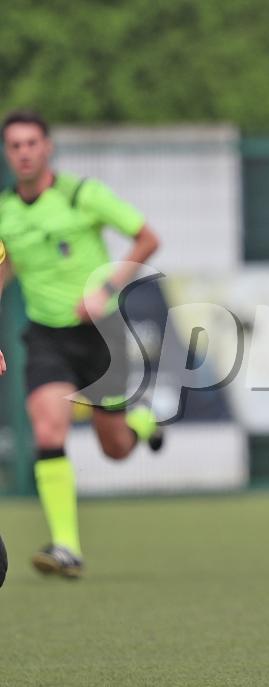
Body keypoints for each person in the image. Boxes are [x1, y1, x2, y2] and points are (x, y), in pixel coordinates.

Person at [0, 110, 164, 579]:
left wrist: (105, 289)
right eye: (15, 145)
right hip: (45, 336)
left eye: (32, 143)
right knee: (48, 429)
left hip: (100, 335)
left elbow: (147, 239)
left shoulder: (82, 195)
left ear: (48, 148)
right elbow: (4, 269)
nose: (24, 153)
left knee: (115, 447)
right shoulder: (5, 212)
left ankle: (141, 422)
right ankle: (66, 547)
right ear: (7, 153)